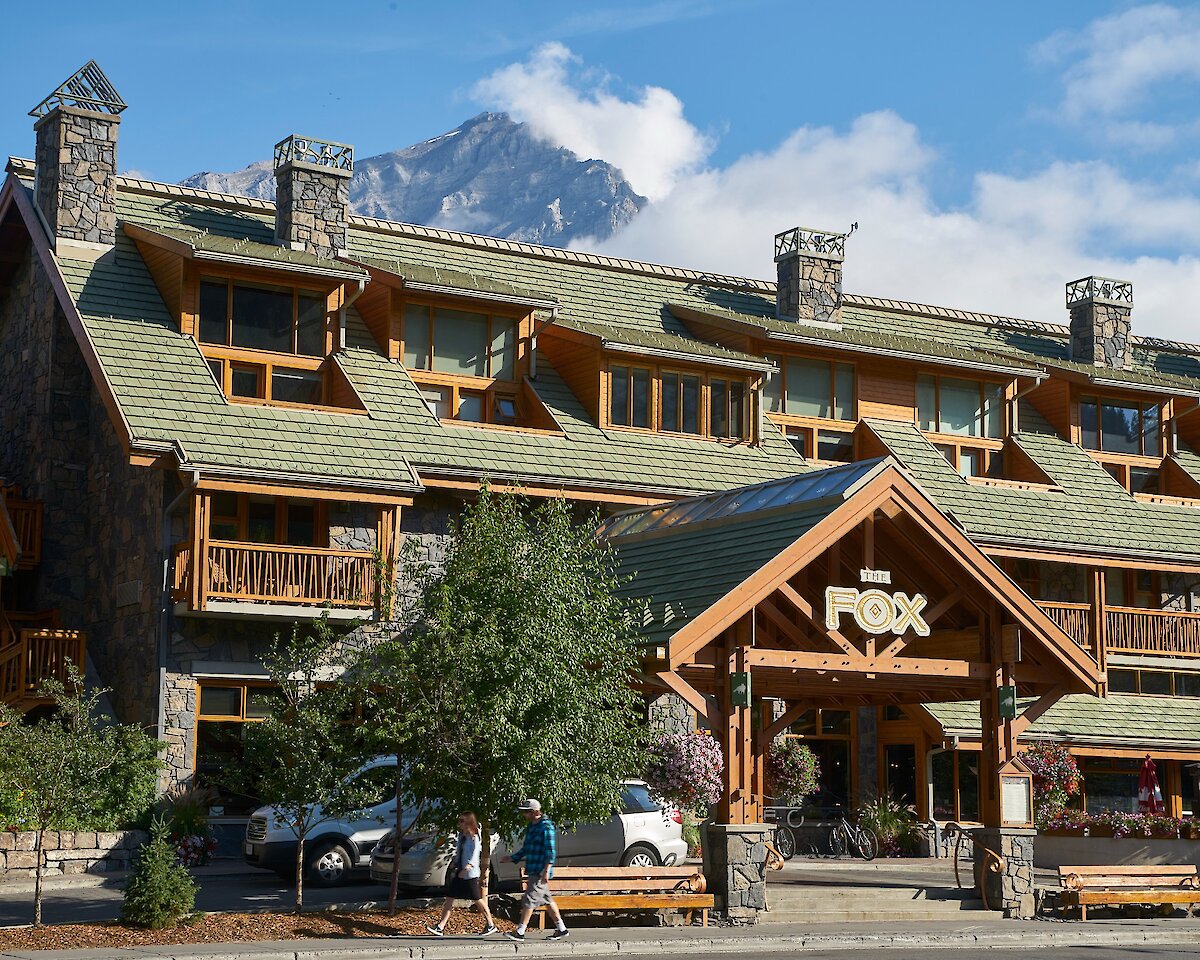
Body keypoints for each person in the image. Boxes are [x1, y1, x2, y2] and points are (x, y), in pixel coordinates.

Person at [505, 798, 568, 941]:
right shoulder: (532, 826)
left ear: (534, 812)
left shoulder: (546, 826)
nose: (524, 815)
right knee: (547, 900)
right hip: (533, 868)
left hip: (540, 870)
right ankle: (561, 929)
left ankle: (520, 932)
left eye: (526, 812)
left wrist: (547, 870)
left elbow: (550, 851)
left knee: (529, 899)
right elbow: (527, 848)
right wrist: (512, 858)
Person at [426, 812, 497, 938]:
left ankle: (490, 924)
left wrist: (467, 867)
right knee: (449, 898)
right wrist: (455, 863)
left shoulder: (474, 836)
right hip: (459, 871)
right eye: (459, 821)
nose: (459, 823)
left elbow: (475, 855)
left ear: (469, 822)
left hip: (469, 874)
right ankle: (440, 927)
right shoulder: (462, 836)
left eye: (462, 821)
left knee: (477, 899)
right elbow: (460, 852)